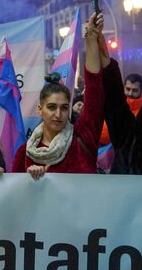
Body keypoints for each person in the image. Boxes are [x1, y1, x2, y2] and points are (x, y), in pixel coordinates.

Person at [13, 13, 105, 178]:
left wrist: (91, 39)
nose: (58, 114)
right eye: (51, 107)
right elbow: (14, 191)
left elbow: (94, 89)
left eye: (64, 108)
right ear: (40, 109)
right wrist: (29, 181)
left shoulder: (83, 137)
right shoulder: (23, 154)